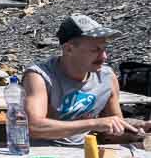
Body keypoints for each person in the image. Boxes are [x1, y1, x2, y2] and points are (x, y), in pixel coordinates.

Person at [23, 14, 151, 145]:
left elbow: (111, 133)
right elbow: (34, 127)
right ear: (69, 49)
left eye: (104, 49)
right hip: (42, 157)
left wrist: (139, 129)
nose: (104, 56)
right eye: (95, 50)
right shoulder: (40, 76)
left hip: (85, 152)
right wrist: (94, 123)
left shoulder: (107, 77)